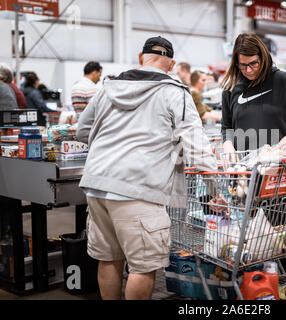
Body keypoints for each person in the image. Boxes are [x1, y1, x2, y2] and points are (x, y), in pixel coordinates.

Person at [76, 36, 217, 300]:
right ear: (172, 64)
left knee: (109, 259)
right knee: (143, 267)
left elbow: (83, 130)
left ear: (142, 57)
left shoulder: (107, 87)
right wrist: (215, 189)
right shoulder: (175, 92)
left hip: (97, 185)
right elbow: (197, 146)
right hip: (139, 190)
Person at [220, 33, 286, 272]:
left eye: (254, 63)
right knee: (248, 239)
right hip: (245, 177)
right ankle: (255, 287)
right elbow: (226, 126)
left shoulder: (284, 81)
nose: (249, 70)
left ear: (264, 58)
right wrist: (228, 143)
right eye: (243, 65)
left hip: (278, 174)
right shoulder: (231, 88)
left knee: (282, 239)